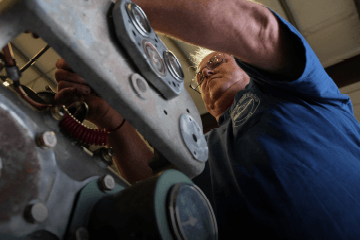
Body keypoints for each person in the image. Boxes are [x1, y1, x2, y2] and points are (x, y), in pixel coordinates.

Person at [51, 0, 360, 239]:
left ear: (246, 66)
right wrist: (113, 120)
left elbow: (259, 31)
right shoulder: (198, 147)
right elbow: (152, 185)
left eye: (215, 61)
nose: (206, 73)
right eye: (199, 76)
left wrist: (110, 9)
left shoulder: (292, 90)